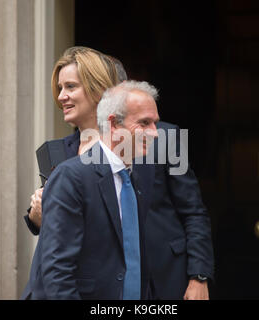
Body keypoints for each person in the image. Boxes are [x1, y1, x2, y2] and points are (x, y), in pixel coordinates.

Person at [24, 46, 214, 300]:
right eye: (60, 88)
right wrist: (37, 216)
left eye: (71, 87)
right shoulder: (58, 152)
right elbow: (60, 234)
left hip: (161, 277)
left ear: (97, 89)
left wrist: (198, 275)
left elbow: (193, 212)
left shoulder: (163, 139)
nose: (61, 96)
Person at [22, 80, 160, 299]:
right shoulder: (71, 176)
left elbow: (133, 261)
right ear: (113, 124)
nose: (155, 133)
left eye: (155, 123)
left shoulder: (138, 175)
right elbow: (58, 272)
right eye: (144, 123)